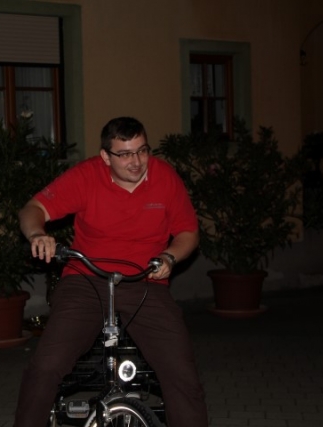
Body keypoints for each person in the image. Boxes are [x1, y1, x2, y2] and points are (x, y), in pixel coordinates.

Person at [14, 116, 208, 427]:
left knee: (180, 371)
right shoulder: (86, 175)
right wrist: (37, 234)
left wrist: (169, 257)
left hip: (145, 281)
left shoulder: (165, 177)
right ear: (106, 156)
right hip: (86, 279)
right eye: (125, 154)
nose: (137, 162)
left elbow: (188, 232)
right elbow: (32, 209)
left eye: (142, 151)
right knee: (47, 365)